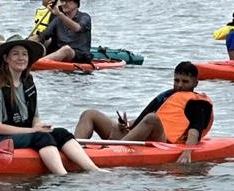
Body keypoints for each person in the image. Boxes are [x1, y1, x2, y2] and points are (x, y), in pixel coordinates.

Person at [0, 38, 98, 174]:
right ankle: (62, 176)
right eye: (15, 54)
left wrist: (38, 126)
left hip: (26, 134)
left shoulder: (28, 81)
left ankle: (94, 170)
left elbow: (34, 117)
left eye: (24, 54)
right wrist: (34, 131)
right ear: (6, 58)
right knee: (42, 137)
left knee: (61, 133)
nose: (21, 58)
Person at [74, 61, 213, 163]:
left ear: (195, 83)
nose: (179, 85)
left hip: (164, 142)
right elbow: (142, 121)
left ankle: (111, 150)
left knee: (152, 118)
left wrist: (187, 152)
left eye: (185, 81)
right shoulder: (167, 96)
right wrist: (127, 124)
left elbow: (194, 130)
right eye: (176, 80)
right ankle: (74, 147)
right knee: (89, 113)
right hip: (138, 136)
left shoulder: (198, 104)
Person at [36, 0, 92, 64]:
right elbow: (44, 35)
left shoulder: (85, 17)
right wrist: (32, 40)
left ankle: (36, 63)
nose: (64, 4)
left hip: (80, 54)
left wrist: (60, 14)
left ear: (76, 4)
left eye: (68, 1)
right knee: (41, 41)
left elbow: (77, 28)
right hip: (59, 52)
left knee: (66, 49)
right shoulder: (57, 19)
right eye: (62, 1)